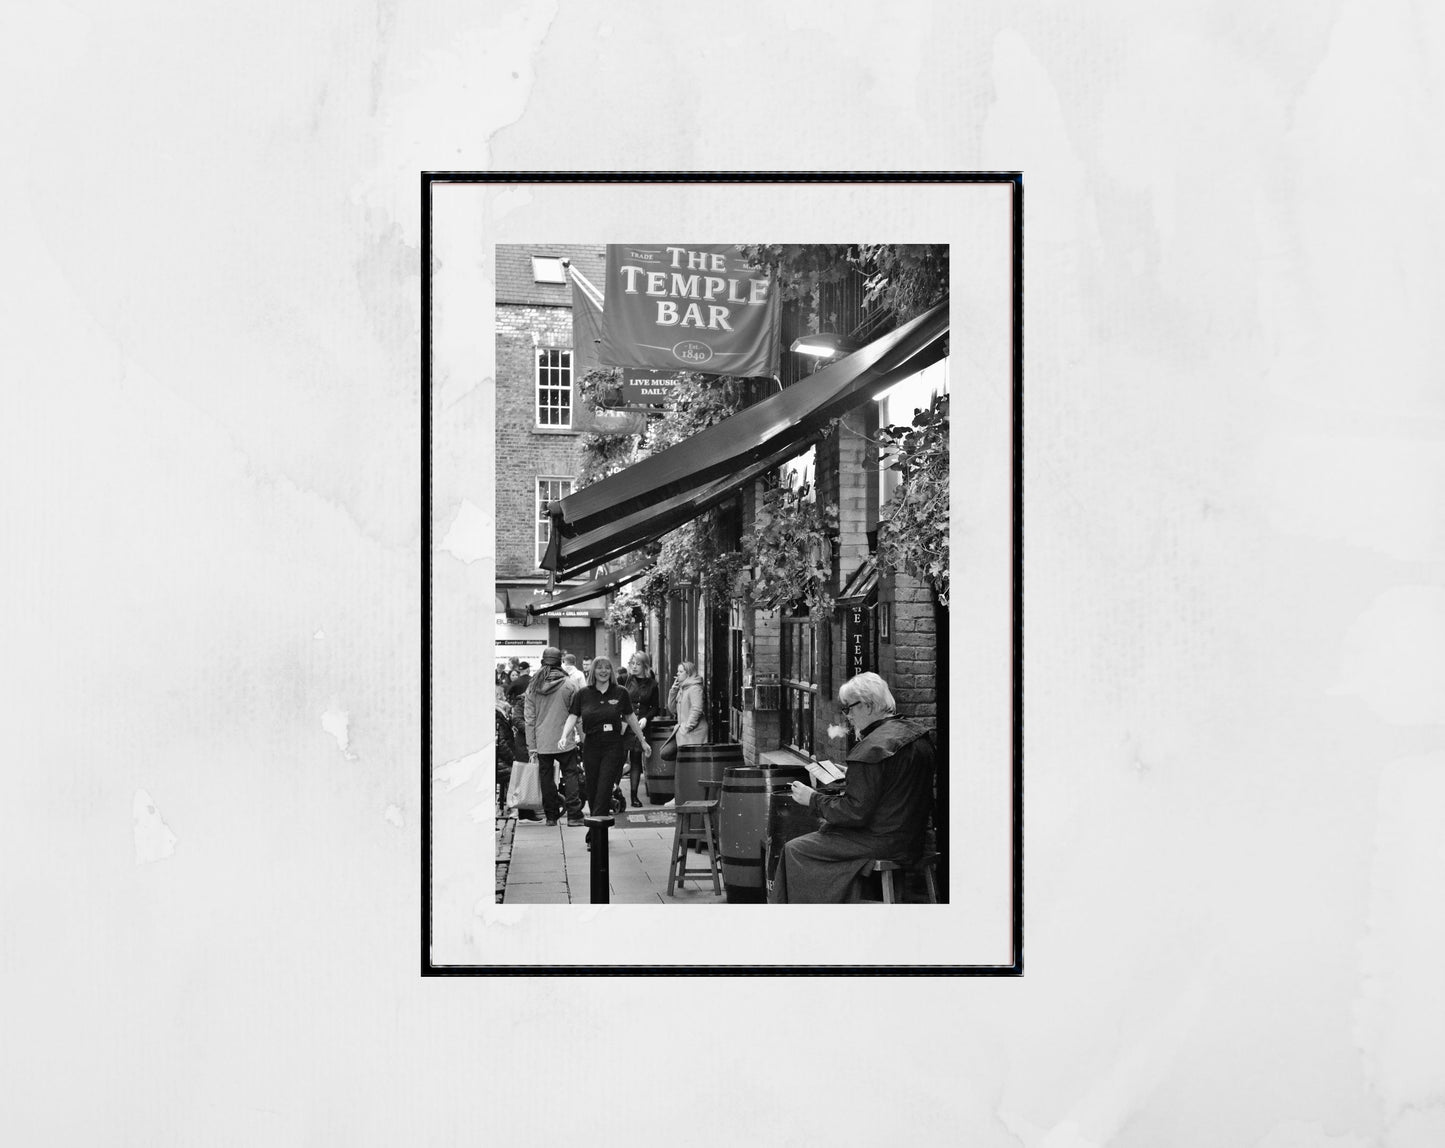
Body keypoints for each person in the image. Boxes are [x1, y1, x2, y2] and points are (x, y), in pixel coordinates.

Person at [767, 672, 935, 904]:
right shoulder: (917, 735)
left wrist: (812, 799)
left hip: (882, 841)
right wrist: (855, 776)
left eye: (850, 708)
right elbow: (894, 785)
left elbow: (854, 813)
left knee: (795, 849)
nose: (848, 716)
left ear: (868, 705)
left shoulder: (870, 749)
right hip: (913, 837)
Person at [560, 656, 647, 849]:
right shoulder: (583, 693)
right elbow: (573, 716)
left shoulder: (620, 692)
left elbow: (631, 717)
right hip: (591, 744)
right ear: (593, 671)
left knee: (604, 787)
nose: (603, 671)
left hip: (613, 746)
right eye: (599, 667)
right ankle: (597, 829)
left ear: (611, 671)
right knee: (592, 789)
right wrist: (565, 735)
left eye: (607, 668)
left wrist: (642, 740)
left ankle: (595, 834)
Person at [524, 647, 585, 826]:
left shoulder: (533, 687)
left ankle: (550, 816)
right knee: (570, 774)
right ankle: (574, 814)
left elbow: (529, 719)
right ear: (560, 663)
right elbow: (578, 716)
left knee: (546, 777)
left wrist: (531, 746)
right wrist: (583, 737)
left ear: (543, 662)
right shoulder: (569, 684)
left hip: (542, 741)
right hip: (565, 740)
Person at [621, 651, 661, 807]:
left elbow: (655, 707)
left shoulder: (653, 684)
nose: (634, 667)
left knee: (636, 760)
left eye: (638, 664)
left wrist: (646, 718)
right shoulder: (625, 680)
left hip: (642, 726)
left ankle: (634, 796)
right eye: (632, 663)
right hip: (625, 725)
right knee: (619, 759)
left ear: (645, 666)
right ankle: (614, 793)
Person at [672, 661, 708, 746]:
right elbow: (673, 709)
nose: (678, 674)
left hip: (695, 734)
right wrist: (673, 691)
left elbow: (697, 709)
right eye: (678, 671)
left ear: (689, 674)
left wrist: (687, 728)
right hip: (684, 734)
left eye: (681, 672)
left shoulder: (695, 688)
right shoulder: (682, 688)